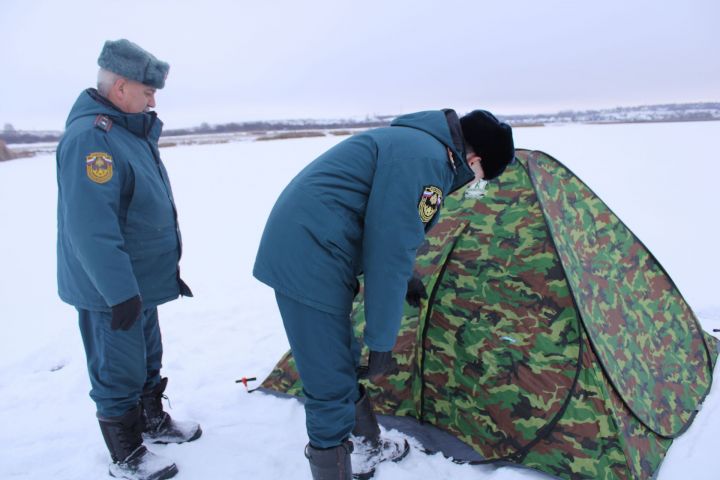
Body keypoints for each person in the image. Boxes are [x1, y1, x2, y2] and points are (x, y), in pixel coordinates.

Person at [253, 108, 514, 479]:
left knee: (339, 356)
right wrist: (381, 343)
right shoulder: (426, 161)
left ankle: (366, 445)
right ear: (474, 160)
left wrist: (405, 277)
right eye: (480, 178)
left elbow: (388, 226)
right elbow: (387, 250)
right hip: (310, 254)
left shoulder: (421, 147)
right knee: (327, 378)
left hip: (318, 246)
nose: (474, 184)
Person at [56, 39, 200, 480]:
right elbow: (90, 228)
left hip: (140, 280)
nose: (153, 100)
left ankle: (152, 420)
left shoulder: (128, 131)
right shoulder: (92, 139)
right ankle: (127, 452)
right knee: (118, 369)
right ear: (120, 88)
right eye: (147, 91)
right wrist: (119, 293)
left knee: (146, 357)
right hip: (111, 288)